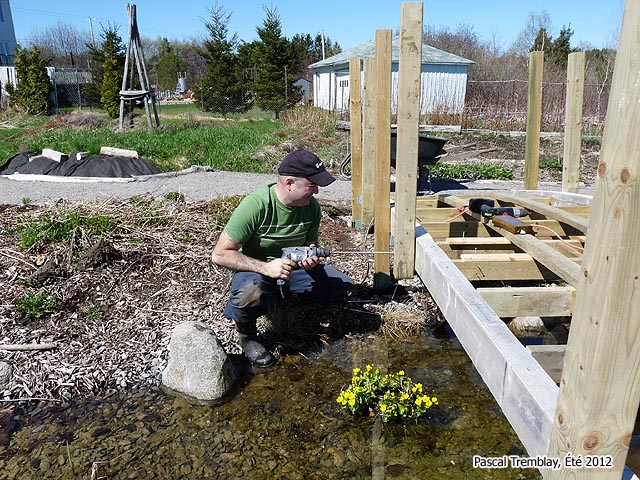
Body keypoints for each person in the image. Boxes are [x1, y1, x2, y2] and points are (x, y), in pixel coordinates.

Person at [211, 149, 353, 367]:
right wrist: (267, 268)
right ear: (289, 183)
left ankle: (285, 301)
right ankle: (248, 336)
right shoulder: (256, 205)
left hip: (293, 270)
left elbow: (309, 245)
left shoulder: (311, 207)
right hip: (258, 271)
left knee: (343, 287)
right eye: (311, 185)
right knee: (250, 294)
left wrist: (310, 257)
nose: (316, 192)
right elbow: (220, 254)